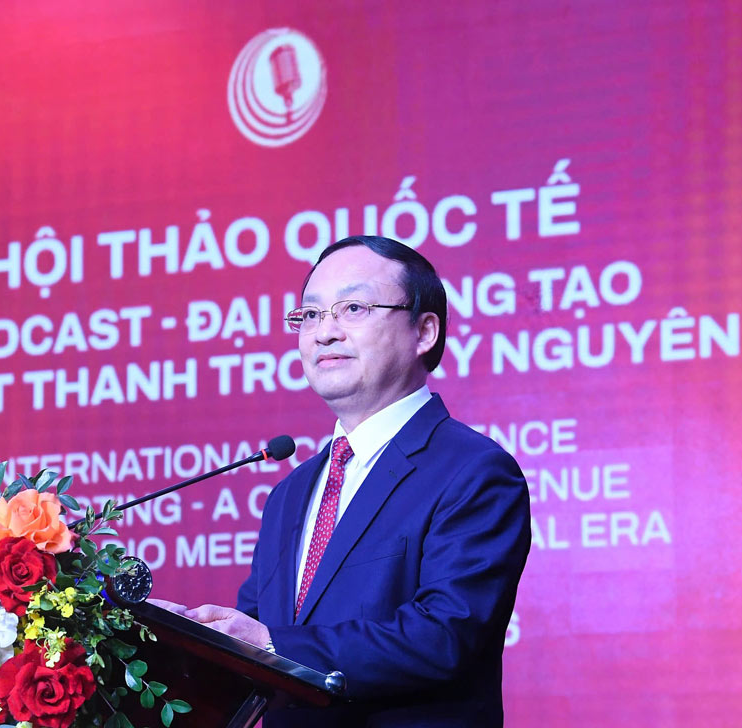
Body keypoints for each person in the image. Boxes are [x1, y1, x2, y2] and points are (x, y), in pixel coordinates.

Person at [154, 236, 531, 727]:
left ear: (424, 331)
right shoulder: (291, 493)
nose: (324, 333)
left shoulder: (473, 471)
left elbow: (443, 634)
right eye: (309, 315)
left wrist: (270, 643)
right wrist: (185, 636)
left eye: (352, 308)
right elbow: (256, 643)